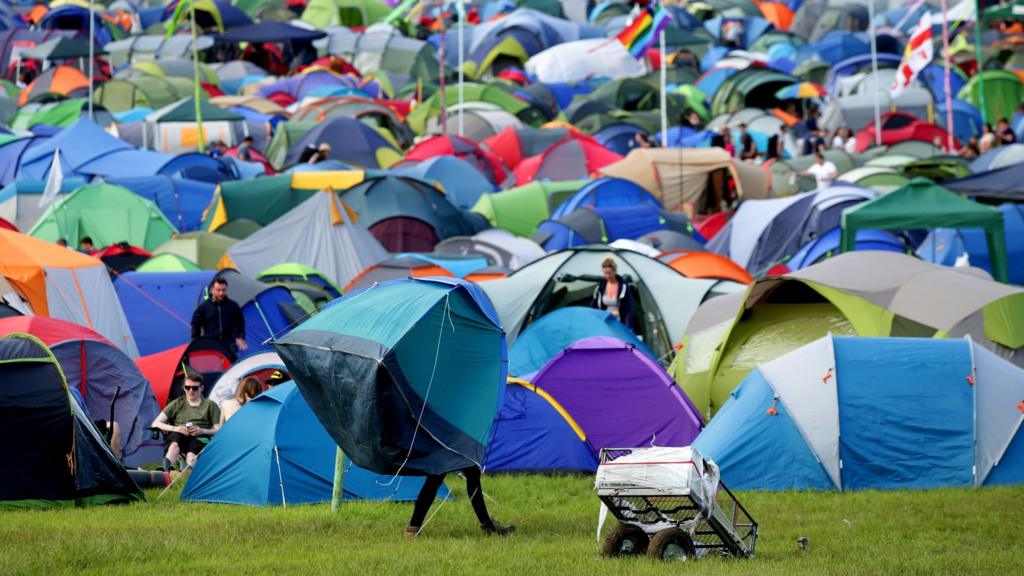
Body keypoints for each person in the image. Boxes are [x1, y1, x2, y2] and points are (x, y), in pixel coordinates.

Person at [405, 466, 515, 537]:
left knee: (471, 472)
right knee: (435, 477)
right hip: (450, 440)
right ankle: (413, 527)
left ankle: (413, 527)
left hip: (453, 440)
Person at [151, 373, 220, 471]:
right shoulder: (177, 403)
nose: (191, 391)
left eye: (194, 388)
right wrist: (176, 428)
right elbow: (156, 423)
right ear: (184, 388)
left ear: (201, 388)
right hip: (179, 433)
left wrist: (202, 430)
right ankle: (166, 472)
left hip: (200, 436)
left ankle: (187, 474)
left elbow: (218, 429)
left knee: (191, 454)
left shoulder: (210, 405)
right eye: (187, 387)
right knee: (174, 444)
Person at [191, 277, 247, 355]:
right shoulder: (204, 307)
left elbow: (240, 323)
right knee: (212, 366)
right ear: (212, 290)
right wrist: (196, 342)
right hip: (210, 346)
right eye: (218, 290)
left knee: (232, 366)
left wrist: (240, 337)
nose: (221, 293)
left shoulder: (233, 306)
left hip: (229, 346)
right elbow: (195, 324)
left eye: (223, 290)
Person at [591, 258, 635, 329]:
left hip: (621, 321)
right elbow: (594, 306)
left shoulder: (624, 287)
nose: (607, 276)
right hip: (605, 321)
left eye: (609, 273)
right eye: (605, 273)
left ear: (615, 271)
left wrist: (628, 327)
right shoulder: (600, 287)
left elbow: (629, 308)